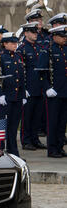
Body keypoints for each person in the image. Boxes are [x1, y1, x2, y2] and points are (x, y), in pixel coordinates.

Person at [0, 32, 26, 156]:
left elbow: (21, 78)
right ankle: (0, 151)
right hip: (4, 97)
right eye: (12, 43)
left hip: (16, 97)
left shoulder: (18, 57)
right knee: (1, 126)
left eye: (16, 43)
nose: (15, 45)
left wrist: (22, 95)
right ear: (5, 44)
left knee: (13, 126)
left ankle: (13, 152)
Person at [37, 25, 67, 158]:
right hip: (53, 93)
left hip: (64, 92)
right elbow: (41, 72)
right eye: (62, 36)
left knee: (62, 123)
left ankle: (60, 147)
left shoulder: (65, 49)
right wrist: (47, 87)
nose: (65, 38)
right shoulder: (47, 51)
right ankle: (52, 149)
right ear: (54, 36)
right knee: (53, 122)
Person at [17, 22, 46, 150]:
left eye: (36, 32)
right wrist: (24, 88)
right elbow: (20, 71)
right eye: (33, 32)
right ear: (26, 33)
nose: (35, 35)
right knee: (27, 116)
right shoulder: (22, 49)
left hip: (39, 88)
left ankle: (35, 139)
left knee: (37, 116)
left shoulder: (39, 47)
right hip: (28, 88)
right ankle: (26, 140)